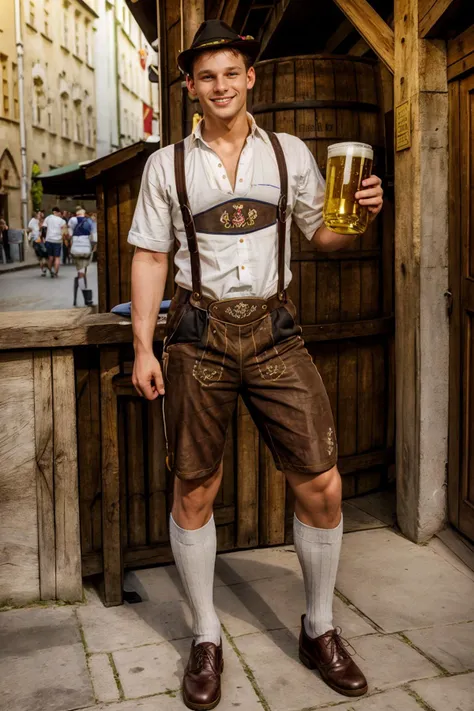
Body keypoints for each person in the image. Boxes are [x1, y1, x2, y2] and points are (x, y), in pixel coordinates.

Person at [128, 19, 383, 711]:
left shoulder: (291, 154)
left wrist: (358, 214)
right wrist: (144, 346)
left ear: (250, 79)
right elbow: (150, 256)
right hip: (197, 333)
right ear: (190, 88)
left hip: (274, 330)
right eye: (206, 76)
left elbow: (322, 234)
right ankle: (206, 634)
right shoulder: (167, 166)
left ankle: (319, 626)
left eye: (231, 73)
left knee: (323, 484)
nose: (221, 85)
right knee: (195, 489)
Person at [68, 207, 95, 306]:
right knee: (82, 273)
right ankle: (86, 296)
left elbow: (70, 234)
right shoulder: (89, 221)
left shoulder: (72, 220)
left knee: (80, 272)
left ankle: (80, 294)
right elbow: (94, 237)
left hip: (76, 250)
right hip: (86, 249)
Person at [43, 206, 66, 277]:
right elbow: (64, 231)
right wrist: (64, 239)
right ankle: (56, 273)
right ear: (57, 212)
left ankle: (50, 271)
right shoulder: (62, 221)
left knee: (50, 257)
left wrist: (44, 238)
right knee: (57, 257)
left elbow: (44, 228)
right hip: (57, 241)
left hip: (49, 239)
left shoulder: (48, 218)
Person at [27, 210, 47, 276]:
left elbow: (42, 231)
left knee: (42, 256)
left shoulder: (41, 221)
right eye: (39, 214)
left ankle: (44, 269)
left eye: (40, 214)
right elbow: (29, 229)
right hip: (37, 240)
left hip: (40, 240)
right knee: (41, 256)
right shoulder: (33, 221)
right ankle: (43, 270)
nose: (40, 215)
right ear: (36, 215)